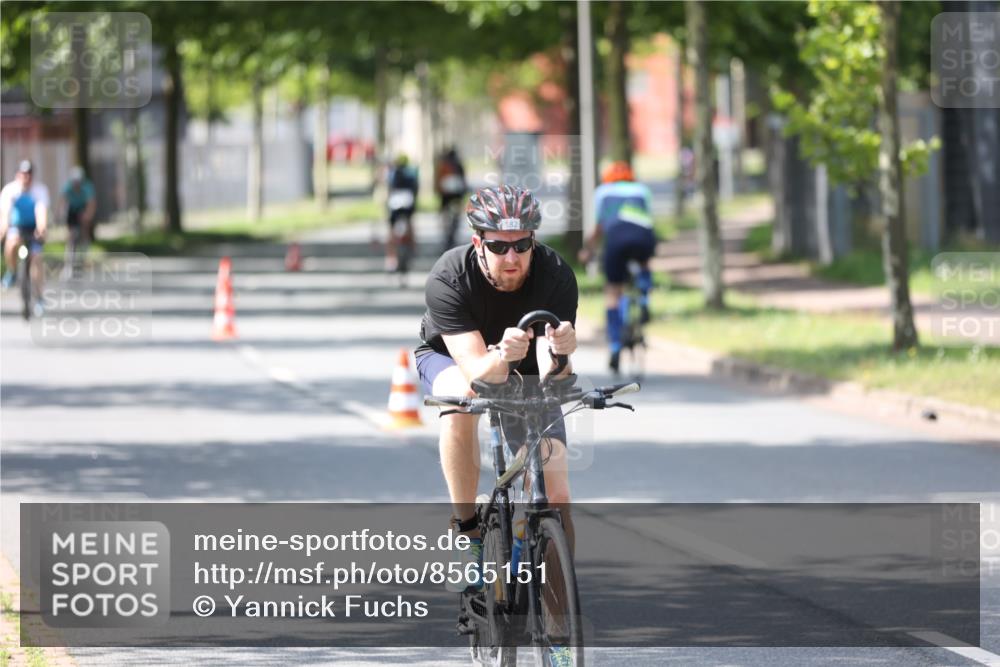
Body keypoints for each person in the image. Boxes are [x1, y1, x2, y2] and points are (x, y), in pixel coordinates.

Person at [415, 184, 578, 590]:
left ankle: (559, 636)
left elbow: (550, 376)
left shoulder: (555, 274)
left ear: (533, 241)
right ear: (478, 242)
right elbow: (474, 372)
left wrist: (560, 355)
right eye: (499, 246)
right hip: (456, 358)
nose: (512, 257)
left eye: (522, 245)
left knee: (557, 497)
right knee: (459, 400)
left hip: (520, 362)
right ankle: (468, 530)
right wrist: (501, 356)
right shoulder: (450, 276)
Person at [578, 161, 656, 373]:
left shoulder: (603, 192)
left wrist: (588, 250)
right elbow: (649, 219)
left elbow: (599, 227)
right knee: (645, 262)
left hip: (616, 239)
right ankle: (644, 296)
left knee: (613, 292)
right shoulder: (642, 190)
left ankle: (614, 345)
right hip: (643, 236)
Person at [0, 160, 50, 305]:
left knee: (37, 258)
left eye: (28, 174)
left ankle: (39, 296)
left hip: (33, 228)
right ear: (17, 175)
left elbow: (41, 210)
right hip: (17, 226)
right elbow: (6, 212)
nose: (25, 178)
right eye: (23, 174)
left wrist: (42, 228)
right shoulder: (10, 190)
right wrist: (3, 228)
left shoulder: (40, 190)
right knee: (11, 244)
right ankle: (12, 271)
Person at [59, 166, 96, 279]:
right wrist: (61, 215)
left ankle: (85, 258)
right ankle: (68, 265)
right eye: (74, 182)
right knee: (70, 237)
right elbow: (62, 201)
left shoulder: (87, 187)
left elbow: (91, 204)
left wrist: (87, 216)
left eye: (78, 182)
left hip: (83, 208)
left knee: (85, 230)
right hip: (72, 210)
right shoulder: (67, 187)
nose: (76, 184)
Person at [384, 154, 419, 272]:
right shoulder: (411, 173)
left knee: (391, 230)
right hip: (408, 204)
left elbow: (388, 190)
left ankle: (391, 257)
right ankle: (414, 247)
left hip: (394, 205)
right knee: (410, 223)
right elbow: (415, 189)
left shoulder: (392, 173)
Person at [433, 146, 467, 252]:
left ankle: (447, 238)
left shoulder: (443, 165)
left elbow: (437, 182)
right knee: (454, 219)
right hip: (455, 198)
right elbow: (463, 181)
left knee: (446, 219)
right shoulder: (458, 165)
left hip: (446, 199)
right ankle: (451, 237)